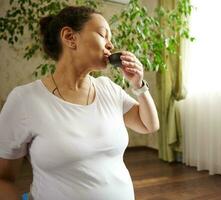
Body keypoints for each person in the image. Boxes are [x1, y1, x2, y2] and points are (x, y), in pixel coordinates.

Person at [0, 6, 159, 200]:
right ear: (69, 37)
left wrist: (139, 85)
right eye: (103, 34)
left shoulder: (108, 89)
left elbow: (149, 125)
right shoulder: (24, 100)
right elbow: (3, 179)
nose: (111, 44)